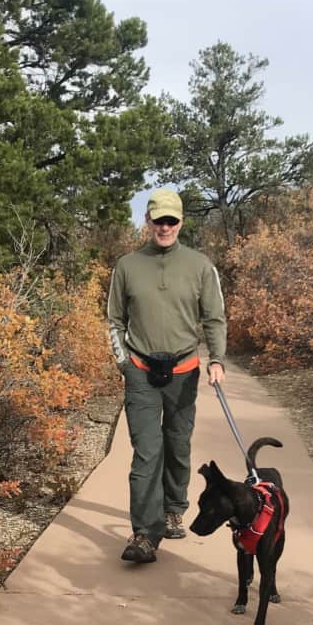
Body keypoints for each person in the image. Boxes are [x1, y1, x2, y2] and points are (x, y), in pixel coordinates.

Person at [107, 188, 227, 563]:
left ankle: (174, 506)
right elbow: (113, 320)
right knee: (147, 452)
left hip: (184, 371)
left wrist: (217, 359)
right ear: (148, 220)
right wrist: (123, 362)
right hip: (141, 371)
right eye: (158, 219)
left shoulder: (200, 266)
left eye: (171, 220)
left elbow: (214, 317)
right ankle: (145, 533)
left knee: (177, 444)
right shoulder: (127, 266)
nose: (165, 226)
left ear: (181, 222)